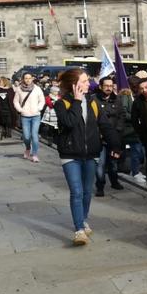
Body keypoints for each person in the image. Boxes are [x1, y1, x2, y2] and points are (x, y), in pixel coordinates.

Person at [55, 69, 121, 246]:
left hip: (91, 153)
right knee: (76, 191)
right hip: (70, 155)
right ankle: (79, 230)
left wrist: (116, 145)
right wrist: (77, 101)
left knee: (86, 191)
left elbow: (105, 125)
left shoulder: (93, 101)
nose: (88, 84)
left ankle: (83, 219)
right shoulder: (62, 104)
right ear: (74, 85)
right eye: (84, 81)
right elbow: (69, 122)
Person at [93, 77, 124, 196]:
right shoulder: (94, 100)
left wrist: (118, 131)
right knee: (100, 163)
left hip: (114, 137)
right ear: (101, 86)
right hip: (99, 137)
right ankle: (100, 186)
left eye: (111, 86)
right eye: (106, 86)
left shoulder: (117, 100)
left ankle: (114, 181)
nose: (109, 88)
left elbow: (122, 116)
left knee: (113, 162)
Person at [13, 72, 46, 162]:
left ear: (32, 78)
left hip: (36, 115)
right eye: (26, 78)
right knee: (26, 136)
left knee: (34, 135)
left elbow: (42, 100)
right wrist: (20, 110)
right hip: (25, 116)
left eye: (29, 78)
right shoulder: (19, 89)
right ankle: (28, 148)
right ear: (23, 79)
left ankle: (34, 154)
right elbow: (15, 101)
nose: (28, 80)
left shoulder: (37, 89)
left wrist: (39, 108)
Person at [119, 76, 145, 185]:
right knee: (136, 151)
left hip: (135, 129)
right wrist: (136, 117)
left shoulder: (136, 96)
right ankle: (134, 172)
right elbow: (124, 112)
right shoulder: (126, 95)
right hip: (128, 129)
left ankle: (135, 171)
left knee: (138, 152)